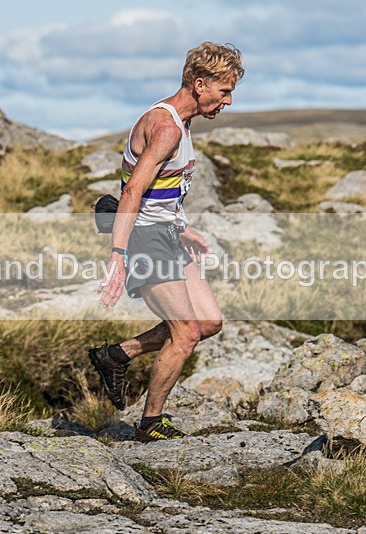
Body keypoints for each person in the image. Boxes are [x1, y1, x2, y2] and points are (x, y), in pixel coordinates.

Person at [89, 42, 244, 442]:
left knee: (209, 321)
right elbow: (132, 192)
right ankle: (150, 423)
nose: (228, 101)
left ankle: (117, 355)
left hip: (165, 232)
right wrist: (119, 255)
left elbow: (162, 188)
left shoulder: (181, 123)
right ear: (199, 83)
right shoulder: (167, 127)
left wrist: (181, 226)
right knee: (186, 333)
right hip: (144, 237)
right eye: (223, 91)